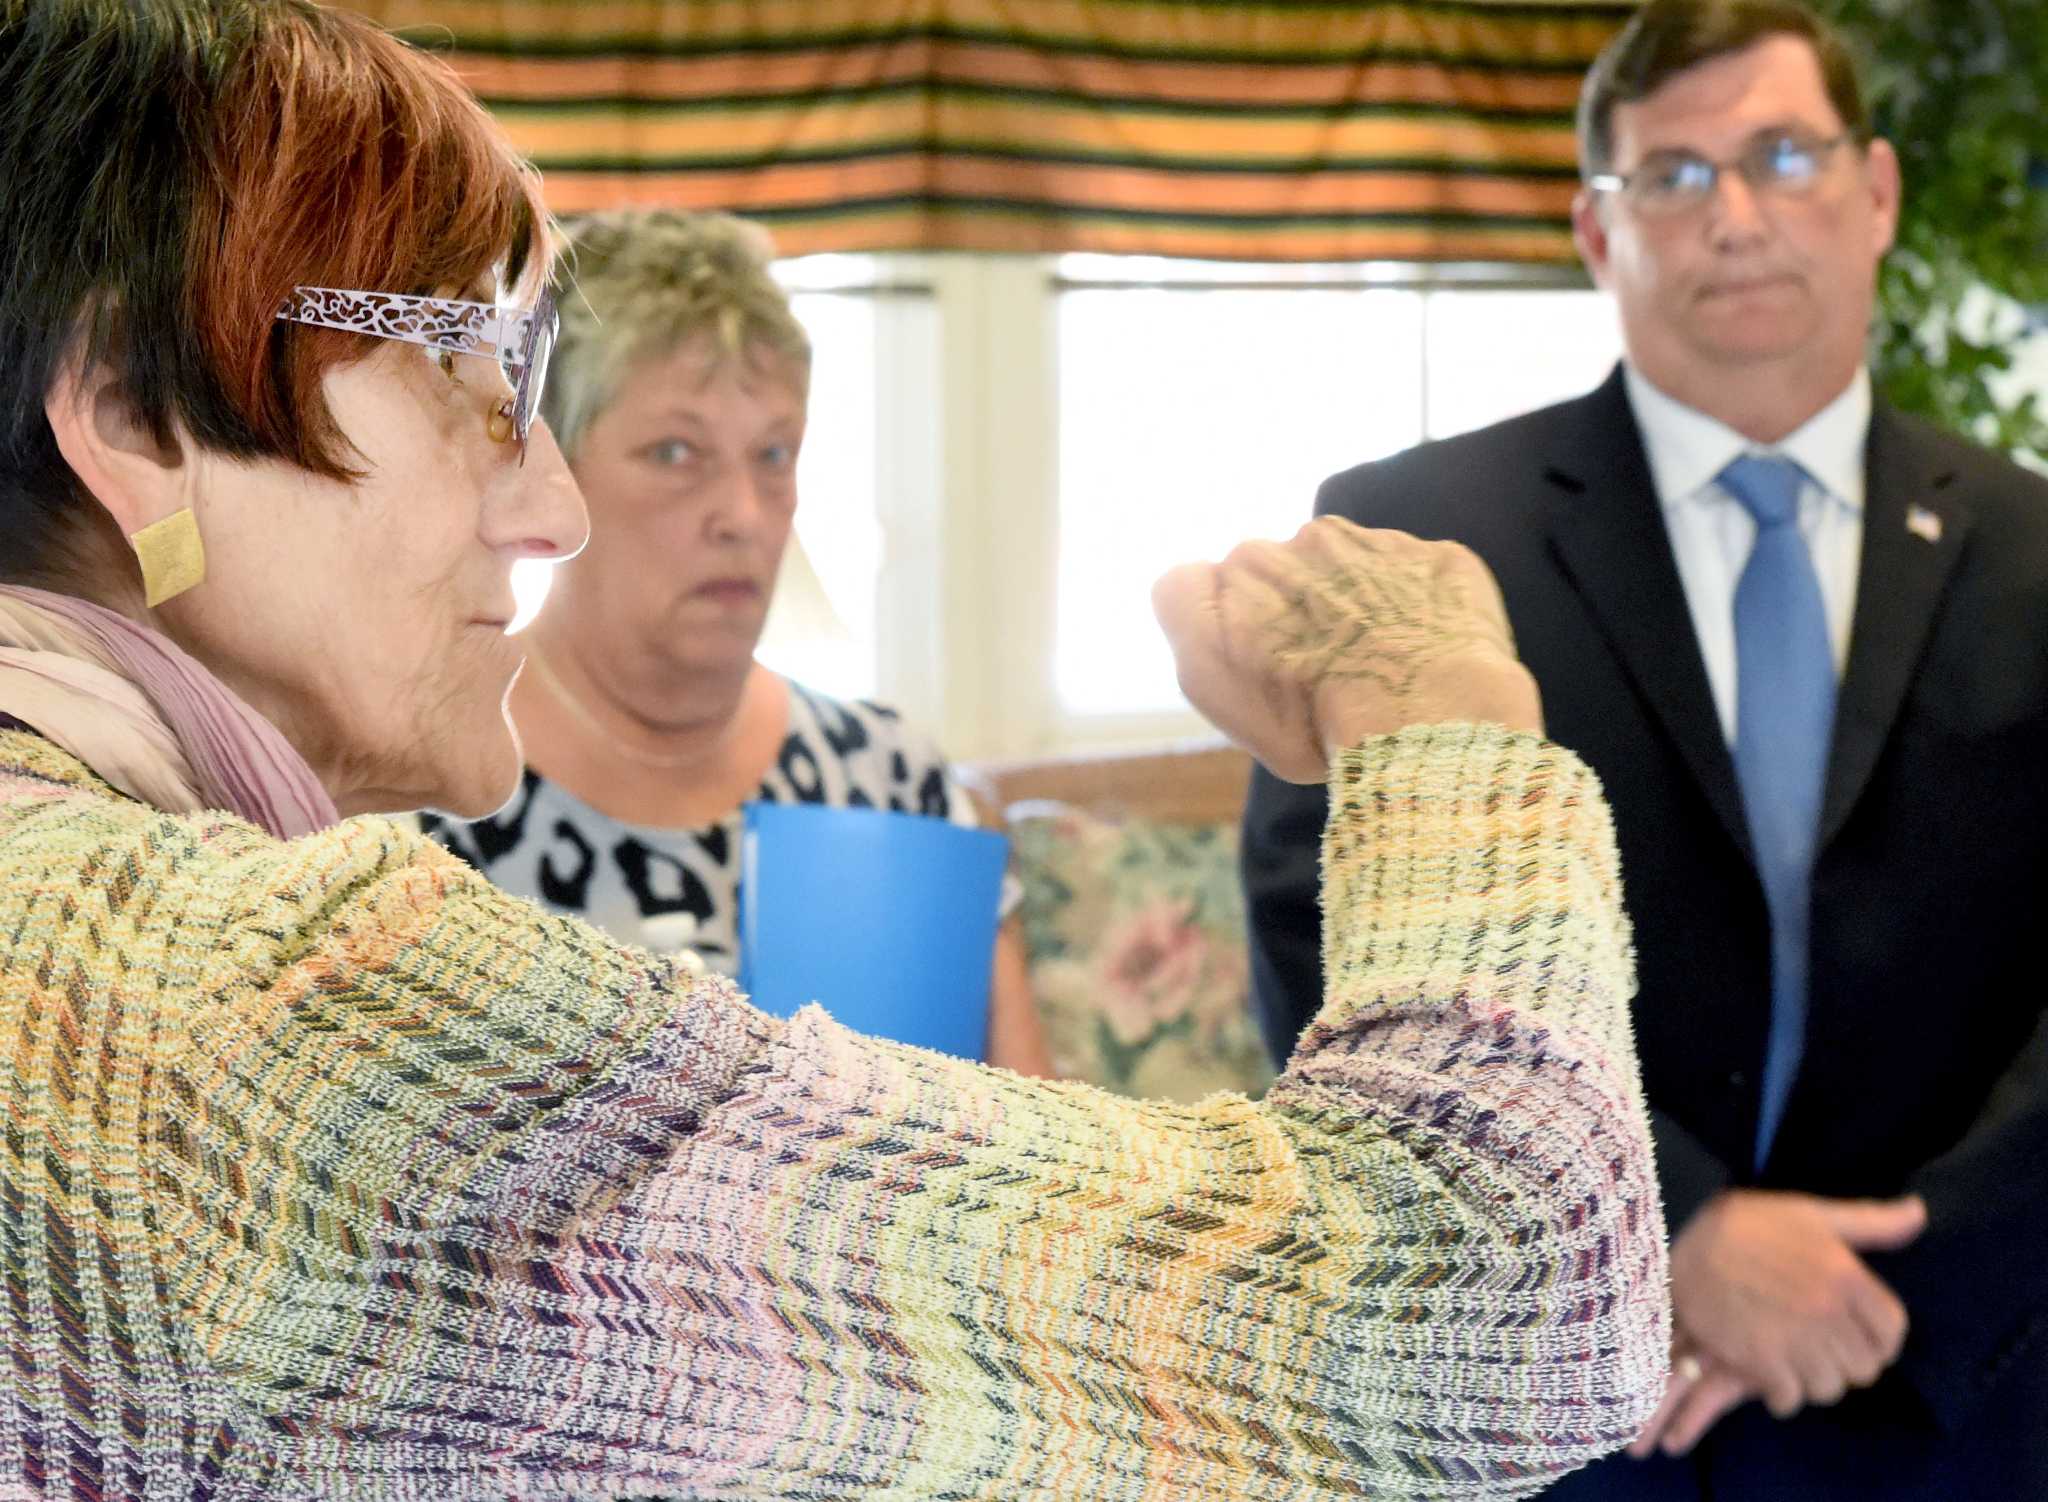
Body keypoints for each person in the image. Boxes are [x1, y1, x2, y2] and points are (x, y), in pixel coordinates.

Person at [0, 2, 1670, 1497]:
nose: (550, 503)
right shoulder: (242, 1016)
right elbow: (1489, 1314)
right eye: (463, 365)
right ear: (140, 424)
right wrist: (1435, 697)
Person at [1240, 2, 2048, 1498]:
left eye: (1782, 158)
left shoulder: (2039, 549)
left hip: (1956, 1392)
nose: (1733, 217)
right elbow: (1321, 926)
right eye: (1671, 176)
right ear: (1595, 231)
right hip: (1564, 1398)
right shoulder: (1417, 530)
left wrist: (1896, 1295)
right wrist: (1675, 1232)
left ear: (1875, 194)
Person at [421, 209, 1053, 1077]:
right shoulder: (430, 784)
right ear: (554, 464)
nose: (744, 516)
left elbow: (1038, 1162)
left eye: (774, 454)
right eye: (676, 451)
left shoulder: (892, 779)